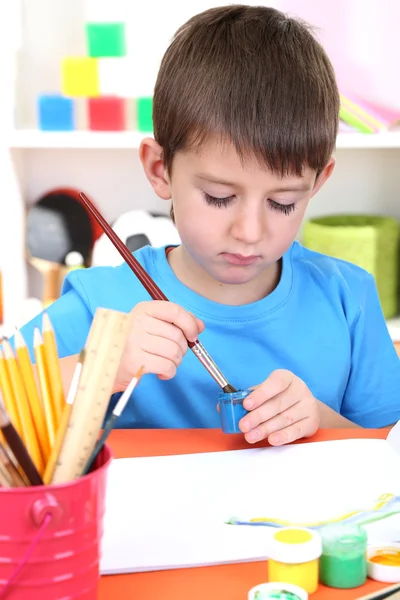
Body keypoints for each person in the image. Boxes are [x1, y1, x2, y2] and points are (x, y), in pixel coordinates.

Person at [19, 5, 400, 445]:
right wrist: (103, 363)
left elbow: (387, 452)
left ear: (318, 183)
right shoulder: (101, 305)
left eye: (283, 202)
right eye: (220, 197)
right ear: (160, 169)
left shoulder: (347, 299)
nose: (250, 231)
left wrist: (321, 420)